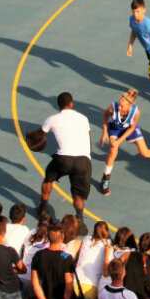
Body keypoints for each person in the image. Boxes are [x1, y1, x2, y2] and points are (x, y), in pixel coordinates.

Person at [96, 88, 150, 196]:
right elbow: (105, 114)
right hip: (115, 127)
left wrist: (119, 141)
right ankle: (105, 179)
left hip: (129, 128)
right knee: (113, 151)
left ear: (129, 106)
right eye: (119, 104)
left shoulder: (136, 112)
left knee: (145, 153)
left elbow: (131, 128)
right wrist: (105, 132)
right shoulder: (114, 107)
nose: (119, 107)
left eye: (122, 106)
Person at [33, 91, 92, 225]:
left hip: (63, 159)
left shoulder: (52, 119)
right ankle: (80, 219)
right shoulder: (83, 119)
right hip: (83, 160)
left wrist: (30, 137)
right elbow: (89, 140)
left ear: (58, 105)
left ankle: (43, 208)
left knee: (48, 178)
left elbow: (39, 135)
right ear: (71, 103)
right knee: (78, 193)